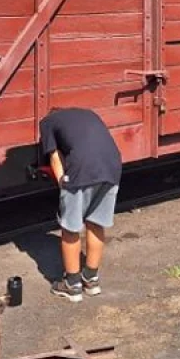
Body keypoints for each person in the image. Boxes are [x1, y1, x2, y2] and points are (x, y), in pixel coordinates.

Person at [40, 107, 122, 303]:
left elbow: (54, 156)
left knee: (70, 228)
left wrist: (63, 184)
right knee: (96, 222)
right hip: (112, 166)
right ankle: (91, 280)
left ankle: (72, 285)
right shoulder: (88, 114)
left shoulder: (47, 122)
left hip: (82, 168)